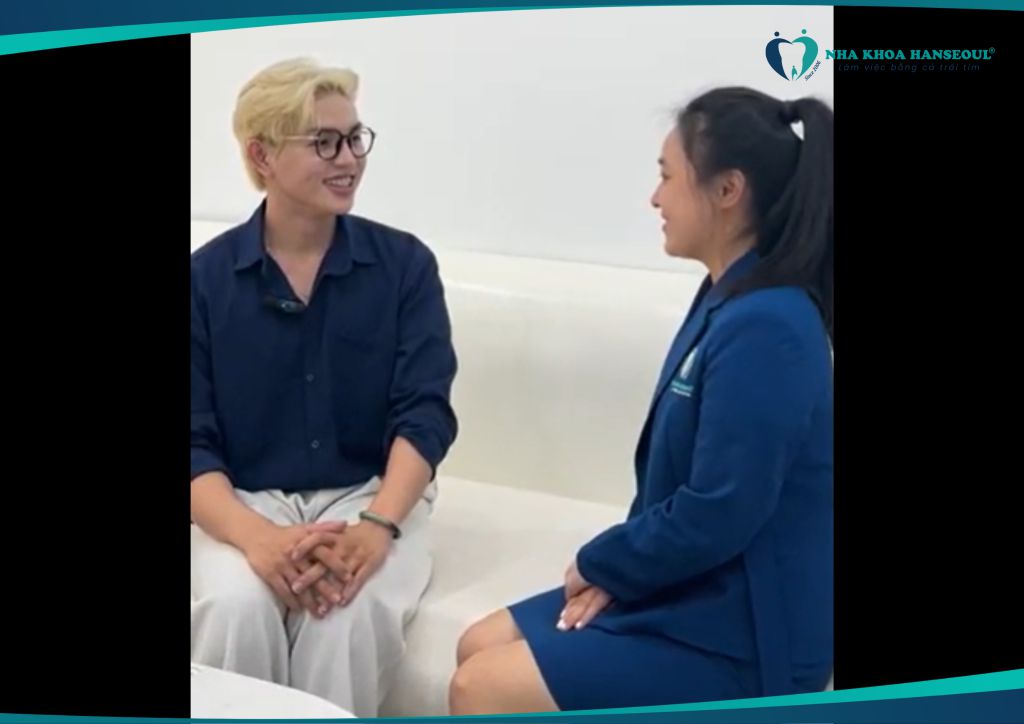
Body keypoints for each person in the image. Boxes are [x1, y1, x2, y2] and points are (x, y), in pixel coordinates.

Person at [450, 87, 833, 714]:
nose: (656, 198)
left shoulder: (770, 325)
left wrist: (603, 565)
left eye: (667, 176)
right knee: (477, 644)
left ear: (727, 190)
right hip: (694, 587)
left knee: (481, 687)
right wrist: (623, 574)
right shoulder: (727, 296)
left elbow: (722, 508)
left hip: (750, 635)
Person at [190, 58, 458, 717]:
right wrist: (255, 537)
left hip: (372, 494)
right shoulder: (203, 281)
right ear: (262, 155)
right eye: (324, 143)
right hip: (243, 498)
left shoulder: (405, 266)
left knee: (346, 614)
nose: (349, 160)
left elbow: (423, 415)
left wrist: (378, 525)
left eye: (355, 138)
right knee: (235, 605)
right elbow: (192, 440)